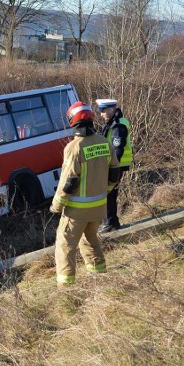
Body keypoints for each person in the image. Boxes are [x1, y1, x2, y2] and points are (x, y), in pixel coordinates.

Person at [50, 102, 121, 284]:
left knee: (65, 247)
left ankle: (67, 290)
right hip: (98, 209)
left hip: (77, 211)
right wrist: (104, 191)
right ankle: (100, 278)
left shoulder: (74, 147)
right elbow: (115, 174)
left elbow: (68, 182)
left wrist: (56, 206)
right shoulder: (104, 143)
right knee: (90, 241)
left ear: (72, 121)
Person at [95, 98, 132, 233]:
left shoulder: (118, 125)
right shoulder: (113, 123)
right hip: (115, 164)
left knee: (108, 193)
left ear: (111, 110)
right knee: (110, 192)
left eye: (103, 111)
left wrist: (111, 167)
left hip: (117, 165)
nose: (101, 114)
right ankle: (112, 222)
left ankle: (109, 223)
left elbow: (118, 149)